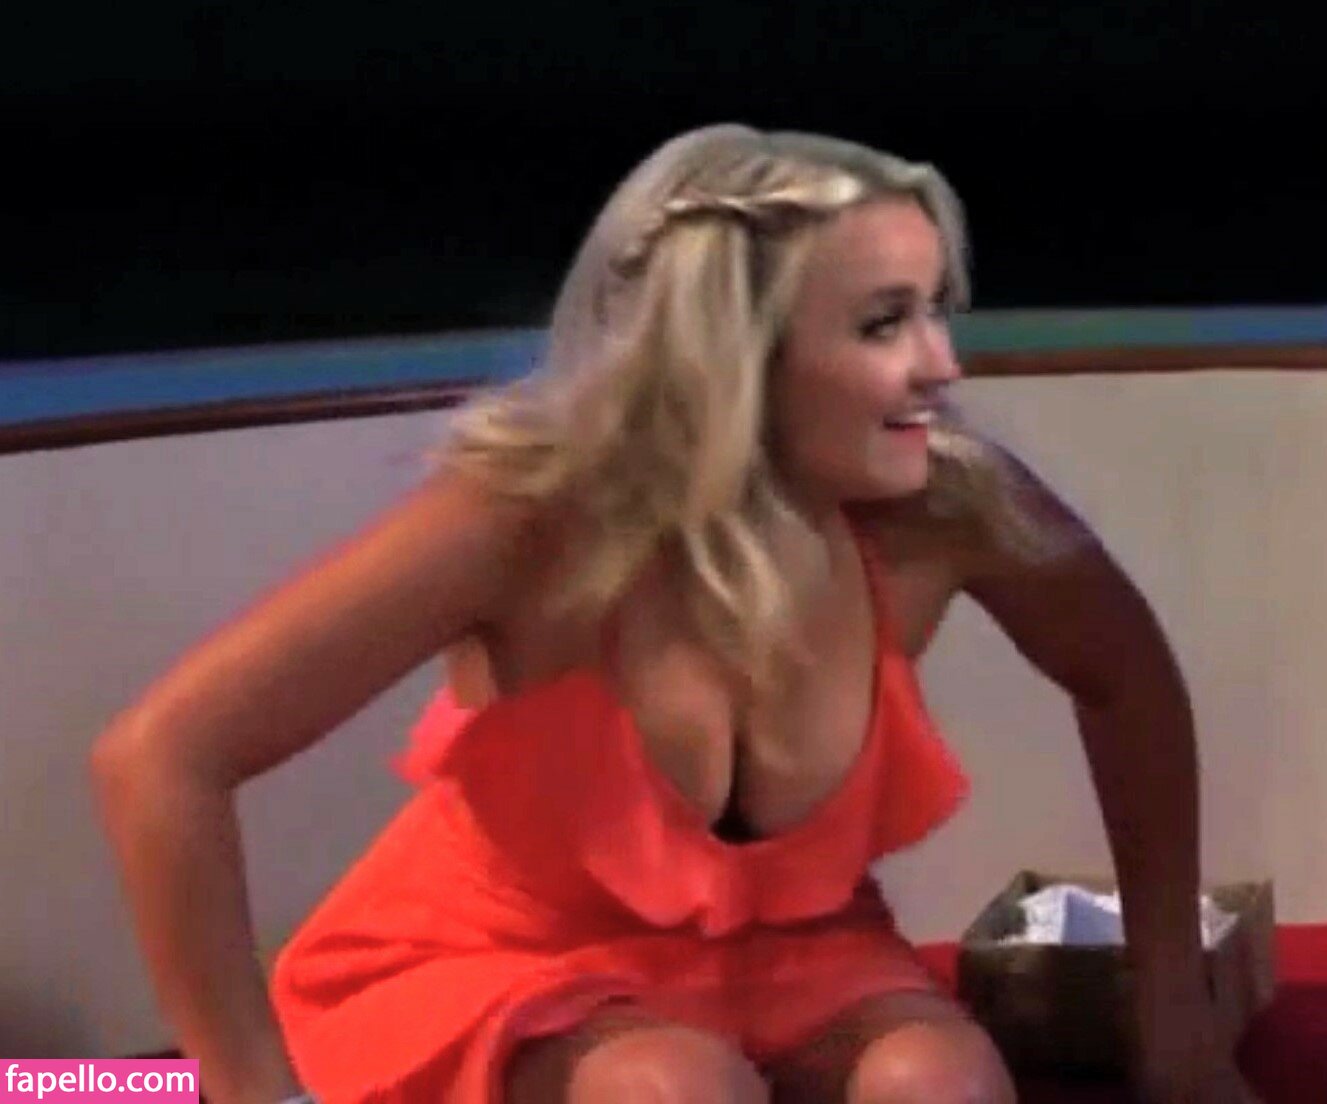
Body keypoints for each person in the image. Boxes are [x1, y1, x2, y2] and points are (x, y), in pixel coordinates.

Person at [92, 124, 1251, 1103]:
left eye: (936, 312)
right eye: (883, 323)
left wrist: (1170, 1005)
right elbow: (160, 758)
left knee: (937, 1084)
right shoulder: (523, 521)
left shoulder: (948, 504)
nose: (940, 365)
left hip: (803, 959)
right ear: (733, 350)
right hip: (502, 960)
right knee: (672, 1088)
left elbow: (1125, 677)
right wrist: (250, 1089)